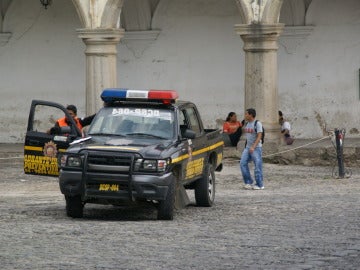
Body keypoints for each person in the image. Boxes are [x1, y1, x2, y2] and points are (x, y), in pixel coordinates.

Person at [240, 108, 264, 190]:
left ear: (251, 115)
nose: (245, 115)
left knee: (257, 165)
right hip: (247, 148)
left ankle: (259, 184)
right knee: (242, 163)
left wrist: (253, 146)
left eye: (246, 114)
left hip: (256, 148)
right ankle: (248, 182)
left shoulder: (257, 123)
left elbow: (259, 136)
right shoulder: (246, 123)